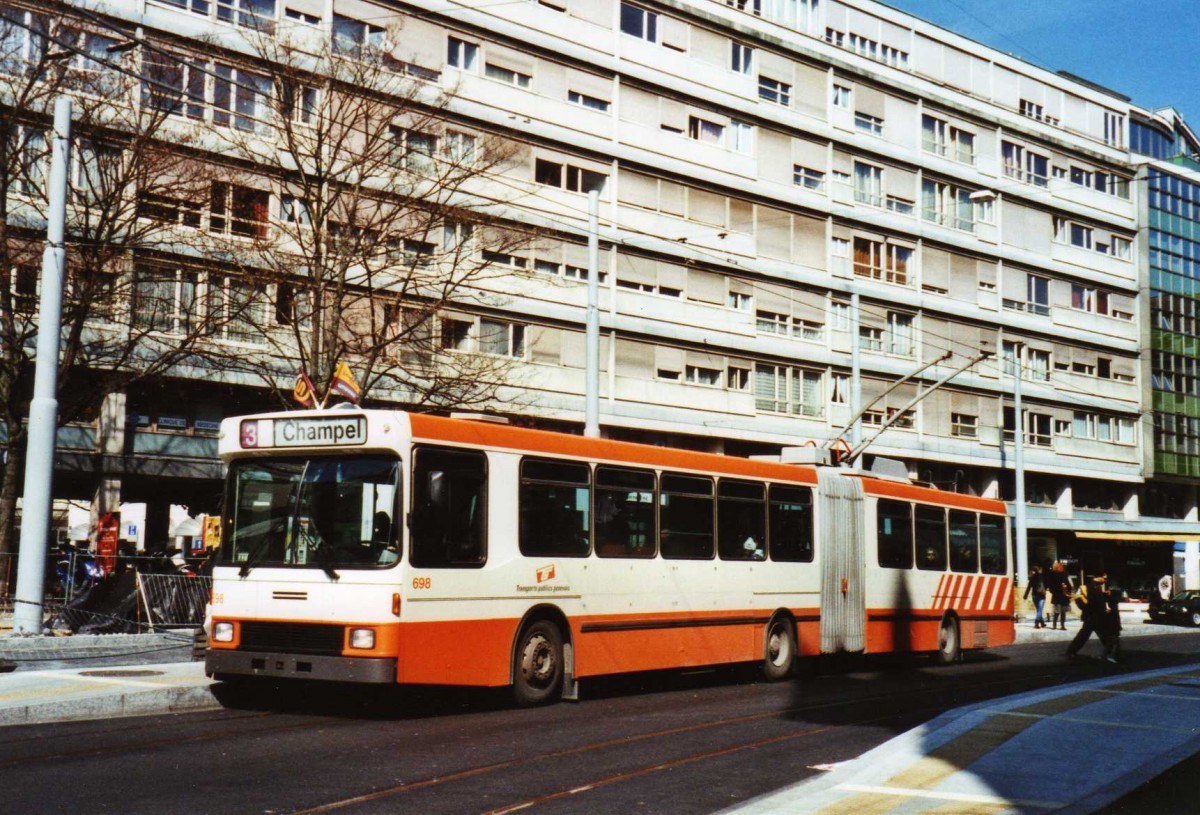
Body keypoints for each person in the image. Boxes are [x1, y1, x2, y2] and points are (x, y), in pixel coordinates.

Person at [1066, 572, 1114, 661]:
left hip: (1095, 616)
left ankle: (1071, 651)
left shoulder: (1096, 587)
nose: (1105, 580)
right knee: (1088, 635)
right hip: (1093, 616)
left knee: (1087, 635)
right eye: (1104, 578)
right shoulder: (1091, 587)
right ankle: (1111, 651)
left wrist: (1104, 596)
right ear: (1097, 577)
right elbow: (1093, 602)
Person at [1046, 561, 1072, 630]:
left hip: (1057, 595)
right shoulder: (1064, 574)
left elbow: (1050, 585)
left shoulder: (1053, 574)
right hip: (1064, 595)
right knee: (1063, 612)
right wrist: (1069, 591)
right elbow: (1068, 583)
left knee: (1057, 611)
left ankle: (1055, 625)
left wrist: (1053, 591)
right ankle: (1062, 625)